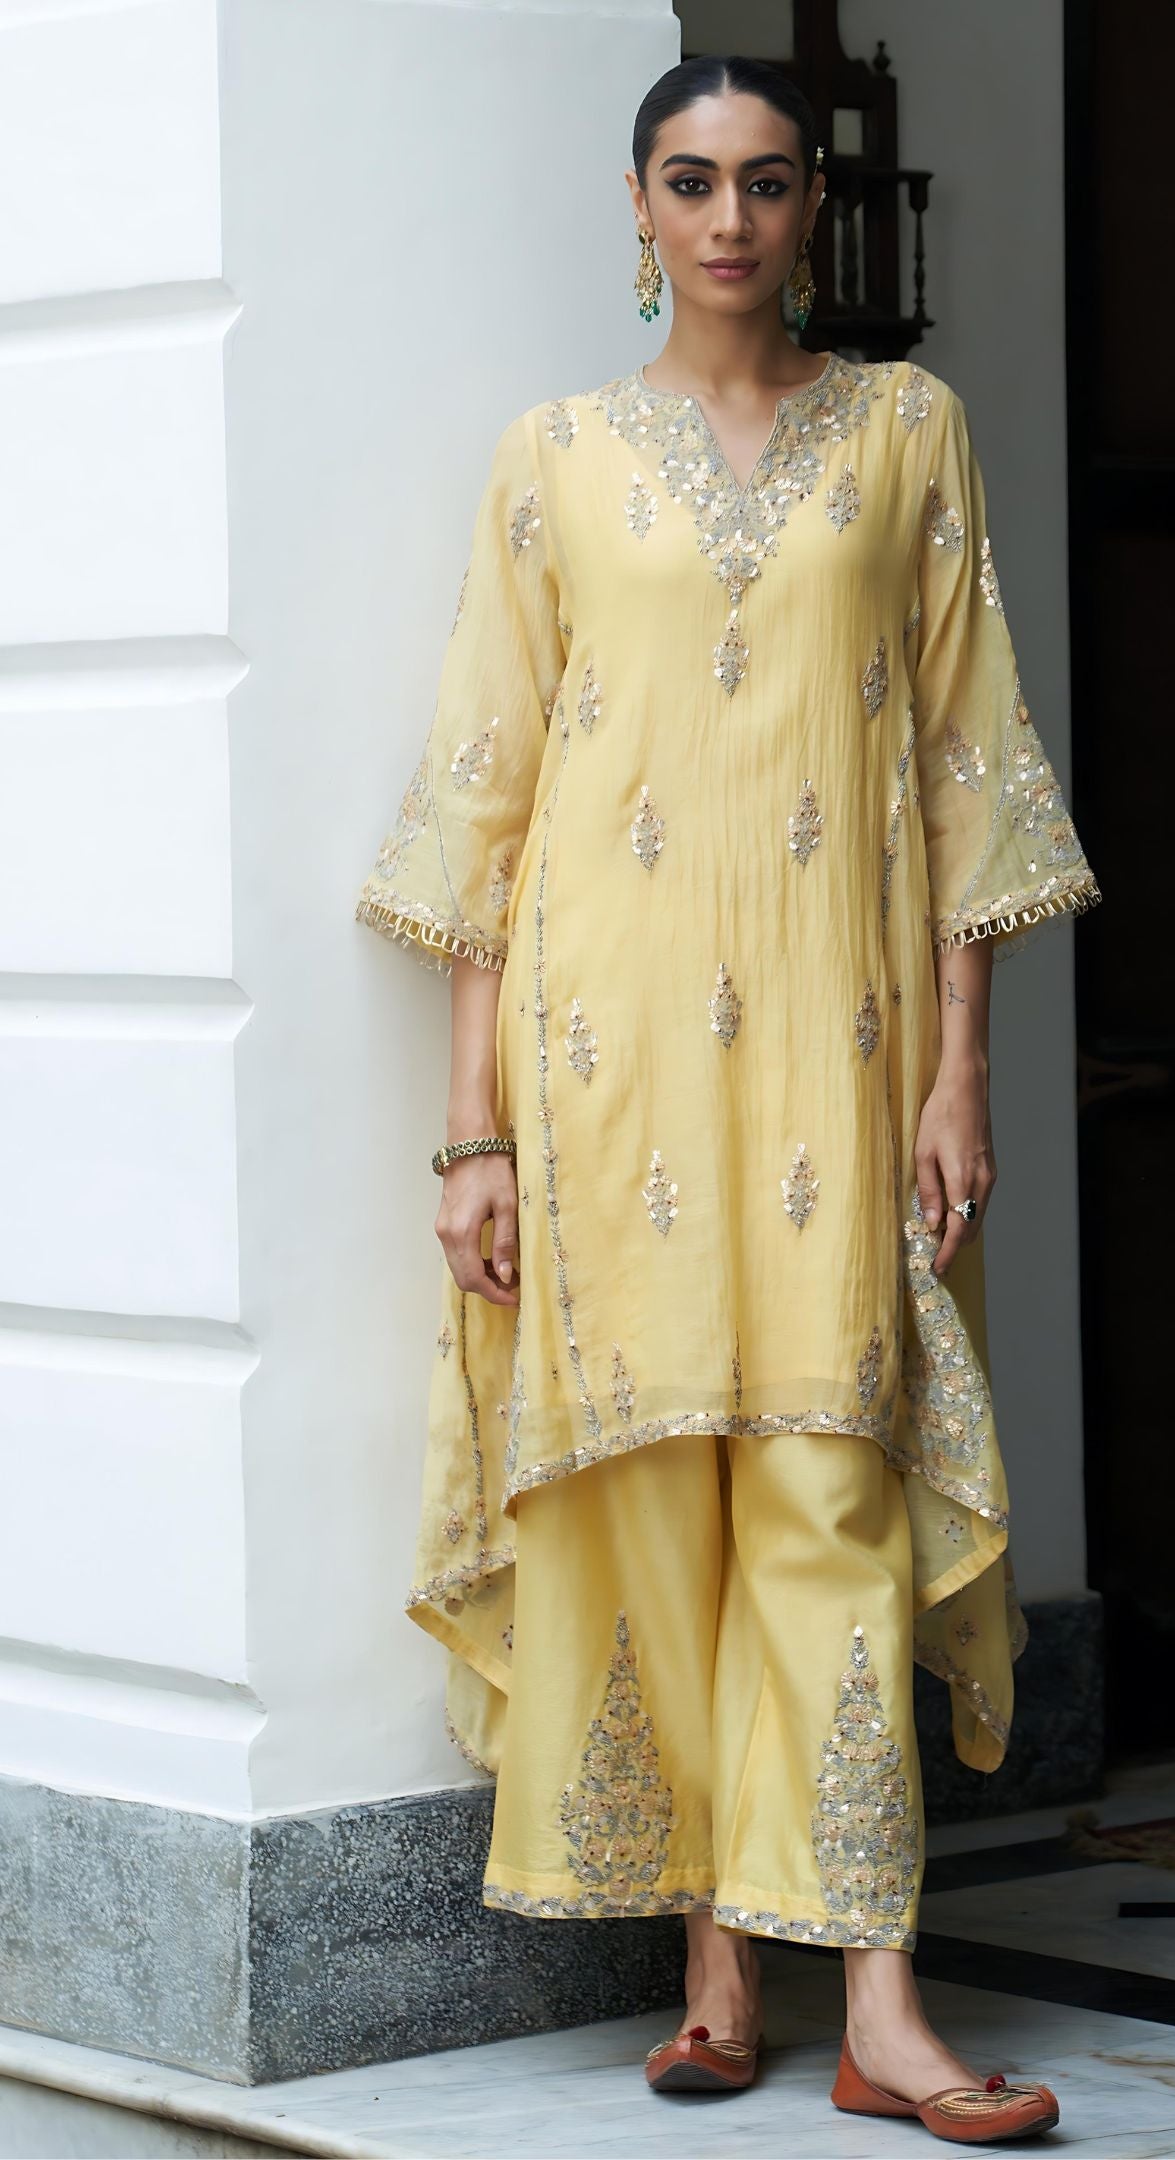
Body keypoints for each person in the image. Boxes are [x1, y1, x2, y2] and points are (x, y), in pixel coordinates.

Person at [354, 51, 1098, 2145]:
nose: (732, 221)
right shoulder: (555, 460)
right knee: (654, 1494)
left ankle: (884, 2005)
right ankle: (714, 1974)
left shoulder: (909, 432)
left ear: (813, 210)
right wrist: (475, 1134)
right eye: (692, 182)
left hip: (842, 1061)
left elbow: (964, 767)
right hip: (607, 1068)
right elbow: (488, 806)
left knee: (830, 1489)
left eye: (768, 183)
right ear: (638, 205)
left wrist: (959, 1068)